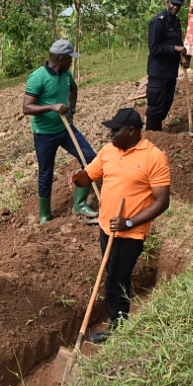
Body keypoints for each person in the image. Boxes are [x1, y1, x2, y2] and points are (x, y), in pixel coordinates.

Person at [68, 108, 171, 343]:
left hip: (131, 232)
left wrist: (129, 222)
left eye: (115, 129)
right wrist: (77, 176)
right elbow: (88, 177)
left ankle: (118, 328)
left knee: (116, 280)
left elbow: (162, 201)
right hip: (106, 227)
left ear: (131, 131)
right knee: (114, 276)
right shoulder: (108, 151)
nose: (110, 134)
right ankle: (118, 320)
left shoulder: (153, 157)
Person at [24, 39, 99, 224]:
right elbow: (27, 108)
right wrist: (52, 107)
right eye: (70, 58)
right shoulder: (37, 77)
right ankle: (45, 215)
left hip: (65, 129)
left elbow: (73, 89)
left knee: (90, 158)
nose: (72, 62)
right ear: (60, 58)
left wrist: (71, 109)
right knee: (46, 173)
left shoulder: (66, 75)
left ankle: (79, 205)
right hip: (44, 134)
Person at [145, 0, 189, 131]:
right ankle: (152, 136)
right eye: (173, 4)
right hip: (159, 72)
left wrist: (182, 59)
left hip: (171, 72)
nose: (175, 7)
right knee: (156, 107)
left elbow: (178, 43)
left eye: (178, 5)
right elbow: (154, 48)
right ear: (167, 2)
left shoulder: (176, 21)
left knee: (166, 104)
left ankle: (158, 133)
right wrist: (175, 48)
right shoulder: (158, 21)